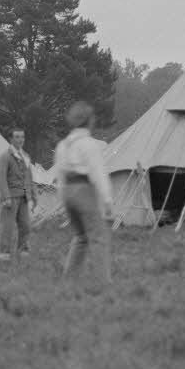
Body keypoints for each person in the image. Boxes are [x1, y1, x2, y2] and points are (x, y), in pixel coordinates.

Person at [54, 101, 113, 282]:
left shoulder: (63, 145)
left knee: (81, 236)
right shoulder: (89, 144)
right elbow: (98, 172)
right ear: (89, 120)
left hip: (67, 191)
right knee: (98, 237)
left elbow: (59, 174)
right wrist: (107, 200)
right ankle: (103, 282)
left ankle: (69, 278)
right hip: (83, 188)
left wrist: (62, 200)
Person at [0, 127, 38, 260]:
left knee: (26, 226)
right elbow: (1, 178)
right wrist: (6, 197)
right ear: (11, 139)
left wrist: (33, 196)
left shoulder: (26, 156)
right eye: (17, 137)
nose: (20, 140)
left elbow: (29, 177)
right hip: (11, 197)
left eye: (22, 137)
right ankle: (3, 253)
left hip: (24, 197)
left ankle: (23, 251)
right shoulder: (5, 156)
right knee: (7, 226)